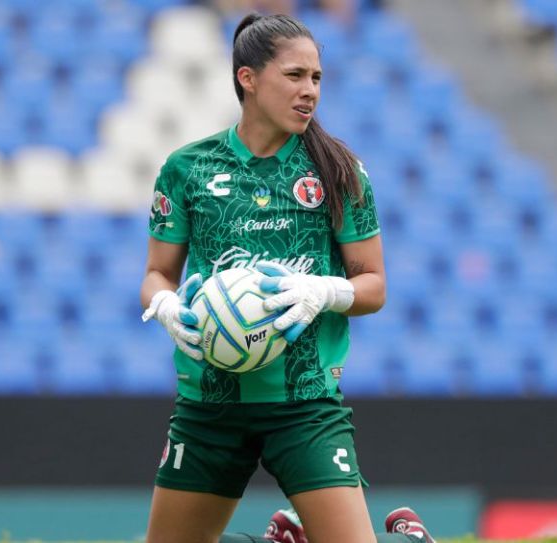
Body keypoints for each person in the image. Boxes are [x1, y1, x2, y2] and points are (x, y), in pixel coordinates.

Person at [140, 13, 436, 543]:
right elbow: (158, 274)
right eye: (295, 75)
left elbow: (374, 287)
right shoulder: (187, 169)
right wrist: (164, 305)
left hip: (304, 405)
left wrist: (324, 289)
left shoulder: (339, 171)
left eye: (316, 78)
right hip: (209, 403)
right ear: (248, 78)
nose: (310, 90)